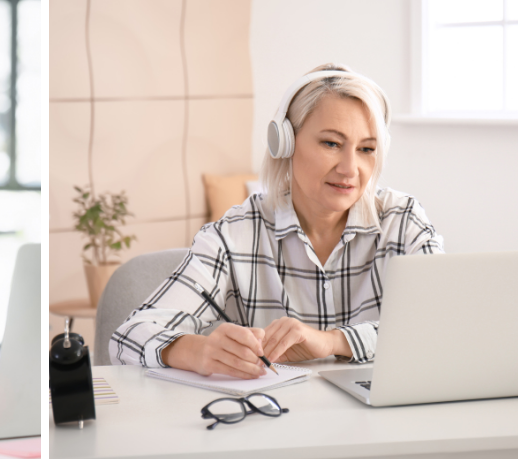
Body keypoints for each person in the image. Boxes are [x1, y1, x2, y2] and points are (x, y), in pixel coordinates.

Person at [110, 64, 442, 379]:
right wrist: (200, 351)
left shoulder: (403, 222)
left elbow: (442, 327)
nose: (349, 168)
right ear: (284, 142)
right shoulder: (235, 234)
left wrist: (331, 341)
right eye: (331, 143)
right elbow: (129, 337)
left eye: (366, 149)